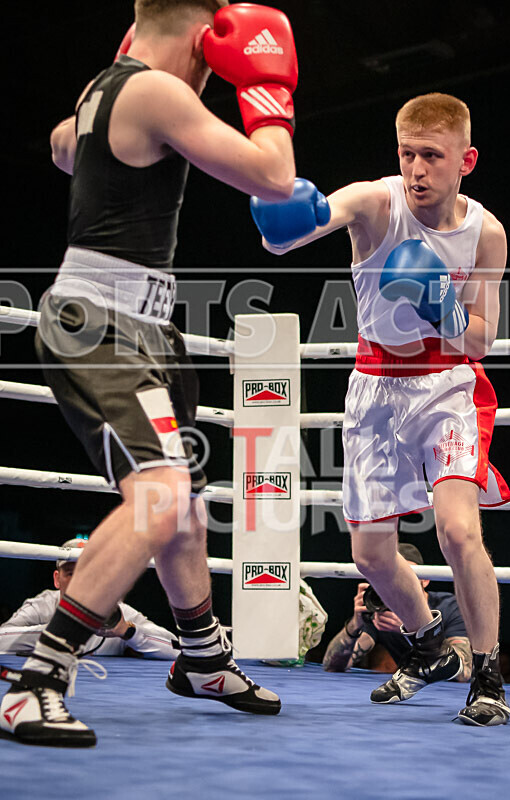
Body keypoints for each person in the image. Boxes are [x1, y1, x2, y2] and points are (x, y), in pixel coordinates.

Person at [0, 0, 298, 747]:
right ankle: (39, 680)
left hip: (147, 329)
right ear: (207, 37)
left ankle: (201, 658)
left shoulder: (105, 88)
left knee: (181, 503)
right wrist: (267, 90)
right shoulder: (155, 91)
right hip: (101, 325)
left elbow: (65, 146)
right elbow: (272, 176)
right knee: (160, 497)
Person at [251, 92, 510, 726]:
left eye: (431, 156)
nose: (417, 169)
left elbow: (482, 336)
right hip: (373, 385)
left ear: (466, 160)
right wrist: (291, 217)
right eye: (407, 154)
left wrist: (442, 309)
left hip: (446, 385)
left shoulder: (487, 233)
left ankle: (487, 675)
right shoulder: (378, 201)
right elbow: (311, 224)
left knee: (457, 530)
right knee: (370, 555)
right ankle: (431, 649)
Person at [0, 538, 178, 659]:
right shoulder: (42, 606)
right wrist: (57, 631)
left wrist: (128, 631)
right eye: (71, 573)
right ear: (57, 579)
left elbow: (176, 648)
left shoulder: (116, 614)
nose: (80, 581)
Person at [322, 543, 471, 680]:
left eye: (407, 576)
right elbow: (333, 665)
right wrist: (355, 623)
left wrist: (412, 629)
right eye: (391, 576)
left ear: (425, 580)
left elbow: (463, 673)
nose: (399, 583)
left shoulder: (449, 606)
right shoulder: (381, 611)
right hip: (410, 690)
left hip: (453, 695)